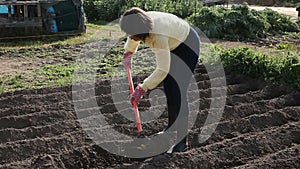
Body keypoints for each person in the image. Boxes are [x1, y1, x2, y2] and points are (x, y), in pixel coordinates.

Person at [119, 7, 200, 153]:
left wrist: (142, 88)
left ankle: (182, 141)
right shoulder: (141, 21)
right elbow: (132, 38)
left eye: (131, 33)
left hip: (188, 45)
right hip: (173, 42)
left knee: (178, 91)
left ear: (141, 31)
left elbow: (162, 69)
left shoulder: (157, 35)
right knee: (169, 86)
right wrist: (128, 52)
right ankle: (171, 127)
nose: (129, 36)